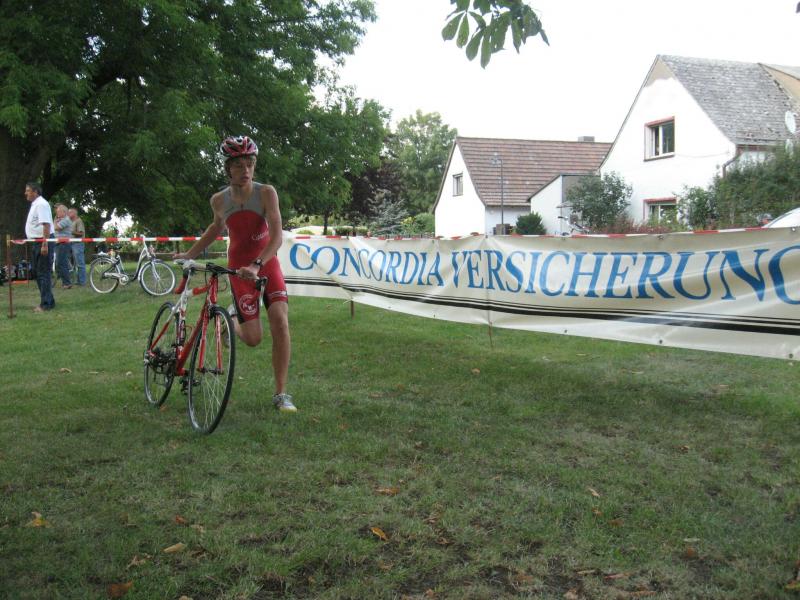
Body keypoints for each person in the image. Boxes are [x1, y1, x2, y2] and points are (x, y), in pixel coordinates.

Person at [175, 135, 295, 413]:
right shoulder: (219, 200)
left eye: (250, 164)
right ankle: (230, 319)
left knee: (280, 322)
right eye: (239, 165)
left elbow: (277, 236)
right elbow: (215, 228)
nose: (246, 170)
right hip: (239, 269)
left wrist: (257, 264)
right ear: (228, 168)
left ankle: (281, 393)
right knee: (253, 339)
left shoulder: (266, 193)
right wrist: (189, 254)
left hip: (266, 264)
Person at [24, 182, 55, 312]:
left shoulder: (41, 204)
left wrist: (44, 244)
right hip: (37, 241)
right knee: (38, 272)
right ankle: (49, 301)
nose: (25, 193)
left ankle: (46, 304)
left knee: (43, 273)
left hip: (42, 241)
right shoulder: (36, 204)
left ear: (35, 192)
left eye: (28, 190)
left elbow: (46, 225)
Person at [53, 204, 73, 288]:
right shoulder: (62, 219)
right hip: (60, 243)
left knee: (62, 263)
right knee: (60, 263)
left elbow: (56, 228)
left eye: (58, 212)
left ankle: (67, 283)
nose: (57, 213)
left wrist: (55, 222)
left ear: (64, 212)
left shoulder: (66, 220)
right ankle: (65, 282)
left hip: (63, 243)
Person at [68, 207, 87, 286]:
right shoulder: (71, 222)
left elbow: (81, 233)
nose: (68, 214)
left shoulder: (78, 221)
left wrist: (72, 232)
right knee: (75, 263)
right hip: (72, 244)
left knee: (80, 263)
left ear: (74, 213)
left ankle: (82, 281)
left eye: (69, 212)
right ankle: (78, 280)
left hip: (78, 244)